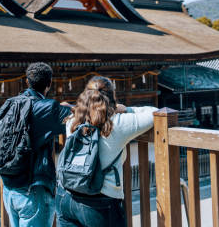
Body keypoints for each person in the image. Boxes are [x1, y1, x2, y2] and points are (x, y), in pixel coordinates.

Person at [55, 76, 158, 226]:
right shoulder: (118, 124)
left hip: (65, 195)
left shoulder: (72, 119)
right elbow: (155, 112)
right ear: (111, 97)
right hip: (100, 202)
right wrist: (126, 109)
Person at [1, 62, 71, 227]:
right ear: (49, 84)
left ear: (27, 82)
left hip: (9, 187)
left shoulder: (10, 103)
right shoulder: (48, 108)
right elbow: (83, 115)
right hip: (33, 190)